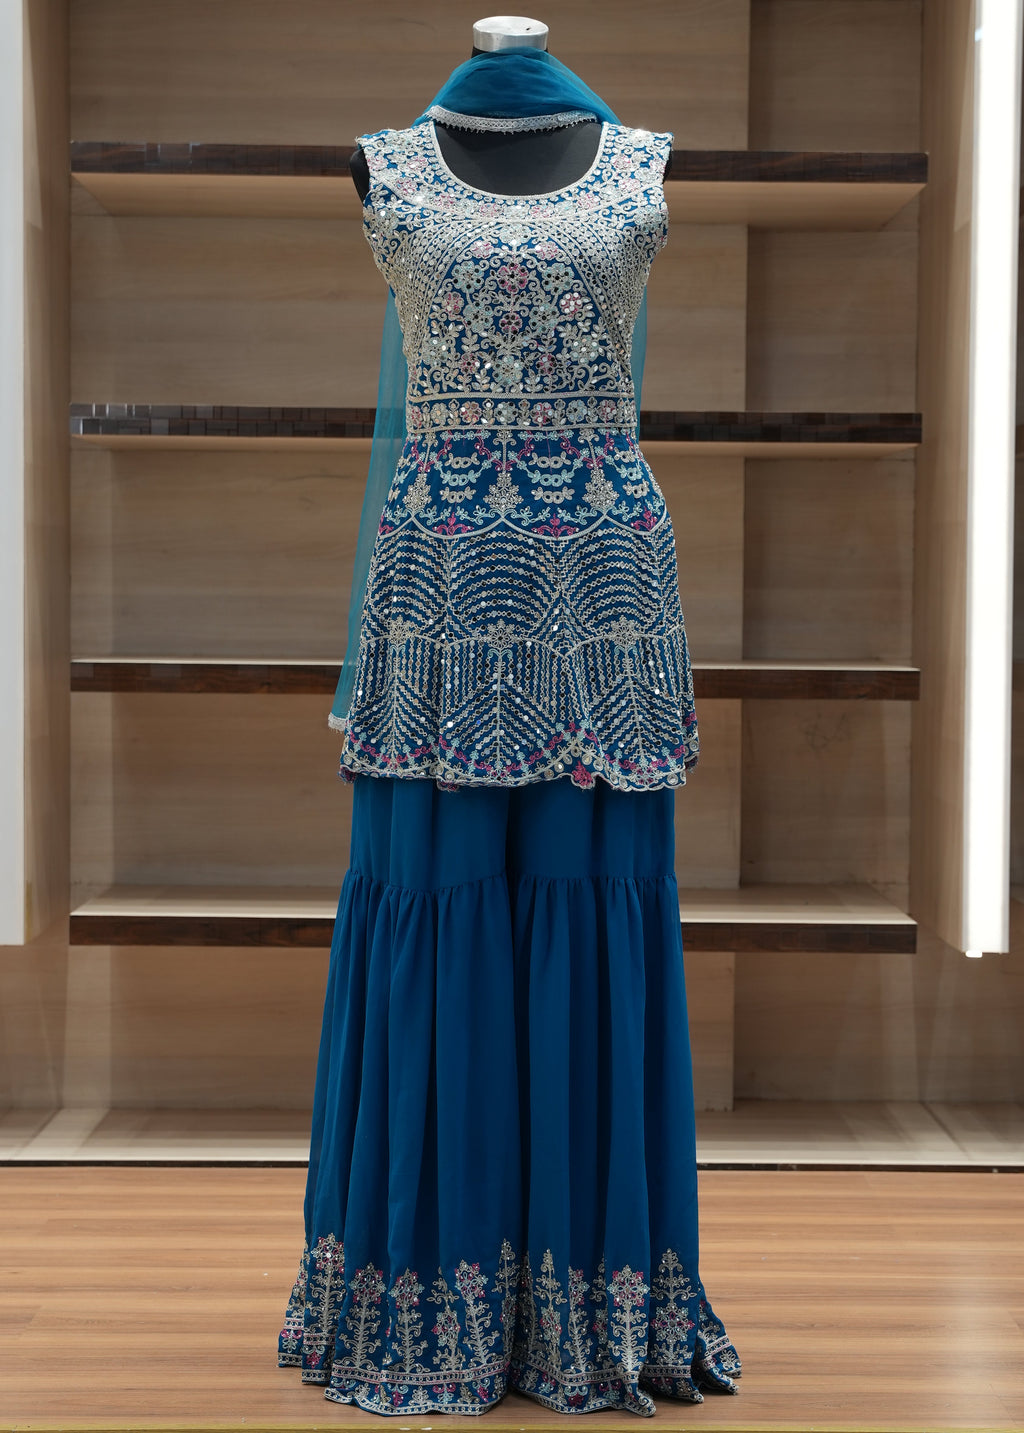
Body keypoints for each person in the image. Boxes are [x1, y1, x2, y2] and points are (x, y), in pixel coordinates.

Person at [277, 19, 741, 1417]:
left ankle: (596, 1303)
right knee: (443, 899)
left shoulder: (644, 163)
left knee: (591, 900)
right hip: (438, 589)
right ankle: (428, 1294)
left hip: (603, 579)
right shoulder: (391, 168)